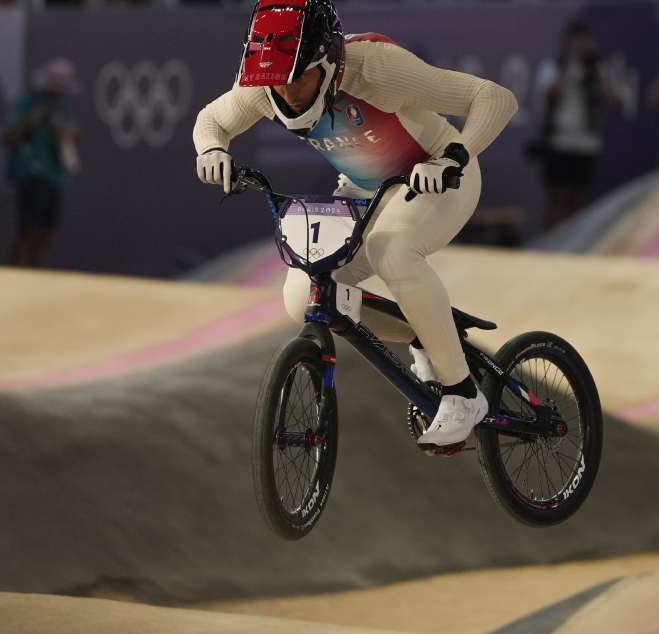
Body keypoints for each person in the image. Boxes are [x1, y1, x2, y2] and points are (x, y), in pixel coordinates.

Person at [193, 0, 517, 449]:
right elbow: (212, 120)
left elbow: (494, 98)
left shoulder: (379, 71)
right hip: (364, 190)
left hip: (436, 179)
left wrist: (453, 158)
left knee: (392, 252)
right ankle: (427, 332)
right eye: (277, 82)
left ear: (327, 62)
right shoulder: (266, 83)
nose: (286, 92)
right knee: (301, 295)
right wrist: (212, 150)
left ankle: (462, 394)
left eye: (298, 78)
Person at [530, 21, 611, 229]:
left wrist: (595, 71)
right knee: (557, 198)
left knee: (578, 198)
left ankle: (575, 242)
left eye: (584, 41)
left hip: (586, 143)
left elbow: (610, 98)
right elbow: (550, 94)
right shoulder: (553, 67)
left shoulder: (596, 69)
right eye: (576, 40)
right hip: (559, 142)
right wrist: (568, 68)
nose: (580, 45)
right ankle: (553, 241)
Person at [6, 58, 80, 267]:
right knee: (27, 231)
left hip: (54, 176)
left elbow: (73, 136)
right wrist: (31, 121)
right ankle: (12, 275)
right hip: (31, 175)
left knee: (46, 232)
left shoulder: (62, 107)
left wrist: (66, 133)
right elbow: (9, 138)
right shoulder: (27, 104)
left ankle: (36, 275)